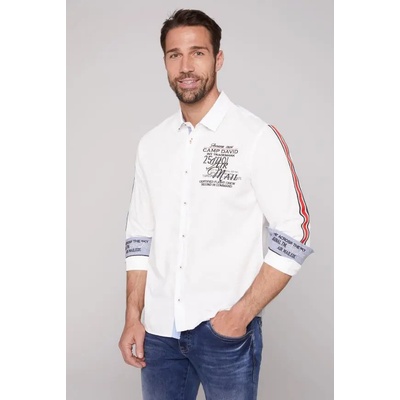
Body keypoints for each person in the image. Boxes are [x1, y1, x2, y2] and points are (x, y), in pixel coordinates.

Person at [118, 8, 313, 400]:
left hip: (224, 335)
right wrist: (133, 317)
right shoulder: (152, 144)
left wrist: (240, 315)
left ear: (218, 58)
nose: (186, 66)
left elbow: (296, 232)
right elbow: (139, 236)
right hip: (158, 334)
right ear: (165, 63)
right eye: (175, 55)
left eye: (198, 53)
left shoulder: (255, 137)